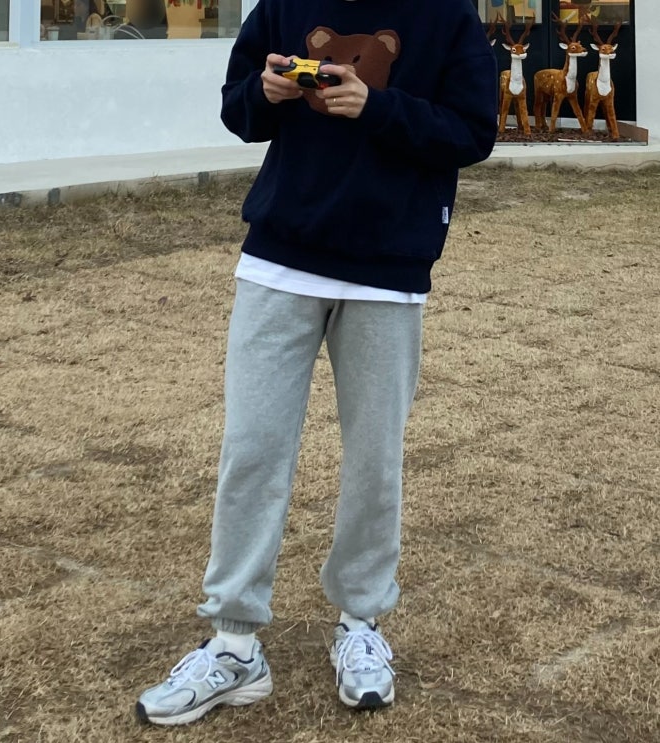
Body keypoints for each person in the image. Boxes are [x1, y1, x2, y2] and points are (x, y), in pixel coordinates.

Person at [136, 0, 498, 727]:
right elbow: (237, 109)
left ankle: (360, 622)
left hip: (389, 266)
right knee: (252, 448)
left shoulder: (446, 13)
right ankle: (234, 643)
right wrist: (265, 93)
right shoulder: (285, 2)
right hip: (279, 256)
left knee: (374, 458)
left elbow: (472, 132)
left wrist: (376, 107)